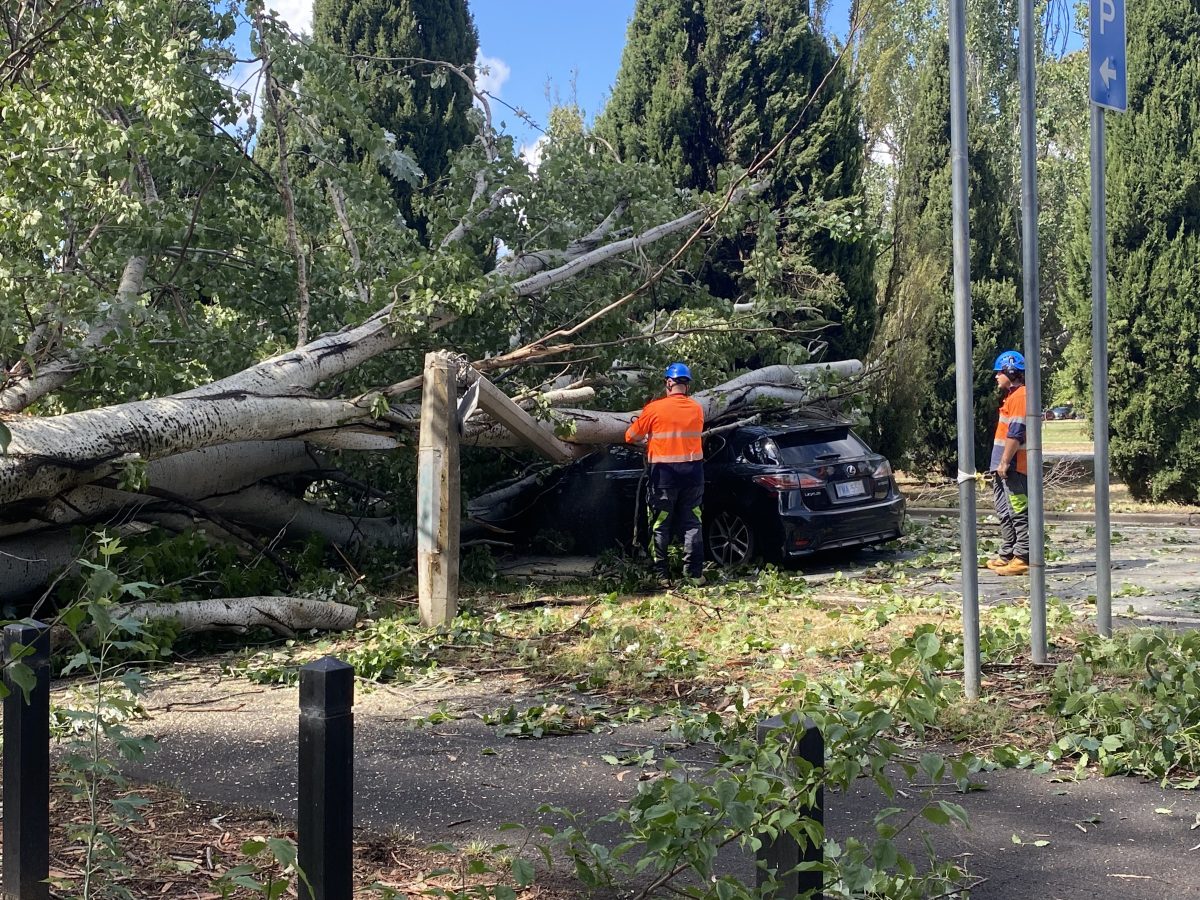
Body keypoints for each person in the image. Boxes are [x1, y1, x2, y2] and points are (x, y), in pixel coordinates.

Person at [625, 362, 706, 584]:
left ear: (668, 383)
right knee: (692, 523)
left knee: (661, 524)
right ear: (687, 385)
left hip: (664, 477)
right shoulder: (697, 408)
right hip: (693, 476)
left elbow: (630, 436)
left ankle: (661, 575)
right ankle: (694, 575)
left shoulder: (654, 408)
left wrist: (648, 436)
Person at [987, 350, 1030, 576]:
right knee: (1004, 511)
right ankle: (1008, 553)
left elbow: (1016, 433)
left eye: (999, 372)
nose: (996, 377)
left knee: (1018, 511)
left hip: (1014, 467)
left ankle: (1022, 556)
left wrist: (1004, 462)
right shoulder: (1012, 397)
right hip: (1002, 468)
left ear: (1011, 371)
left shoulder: (1021, 396)